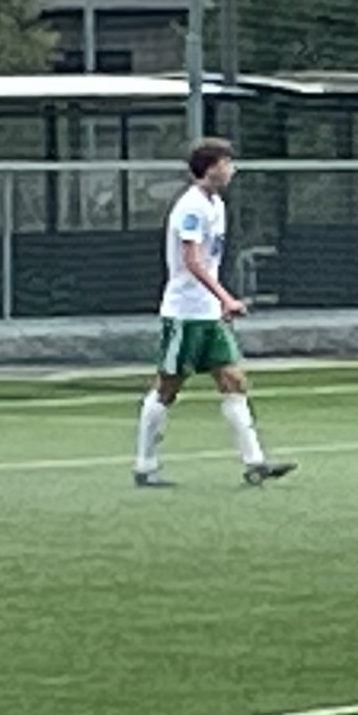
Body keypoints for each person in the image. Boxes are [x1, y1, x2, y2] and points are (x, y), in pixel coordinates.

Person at [135, 138, 294, 490]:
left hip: (208, 314)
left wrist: (218, 303)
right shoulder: (191, 207)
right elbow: (192, 262)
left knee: (233, 380)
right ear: (210, 168)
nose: (231, 169)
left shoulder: (217, 204)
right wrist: (225, 297)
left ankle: (255, 462)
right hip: (185, 313)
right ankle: (144, 465)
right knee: (167, 387)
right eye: (226, 163)